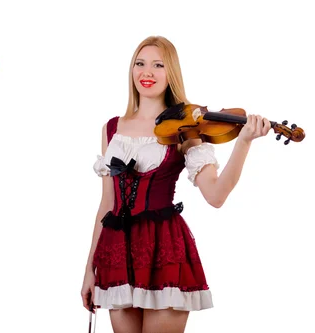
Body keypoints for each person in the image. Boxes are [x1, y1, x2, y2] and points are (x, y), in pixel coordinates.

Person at [80, 35, 271, 333]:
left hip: (163, 249)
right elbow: (107, 204)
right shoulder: (112, 128)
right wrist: (89, 270)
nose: (147, 72)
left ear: (171, 74)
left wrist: (243, 141)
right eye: (140, 64)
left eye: (158, 65)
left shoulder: (186, 129)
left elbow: (216, 195)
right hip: (117, 252)